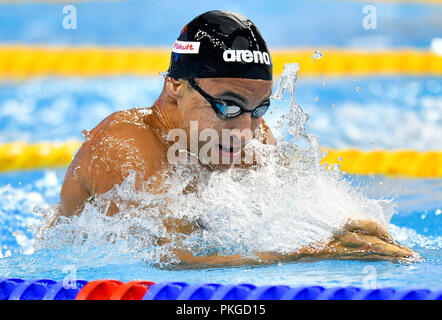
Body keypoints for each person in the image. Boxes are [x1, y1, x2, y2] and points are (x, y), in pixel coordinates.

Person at [57, 10, 415, 267]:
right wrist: (315, 252)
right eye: (228, 106)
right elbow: (171, 261)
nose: (246, 132)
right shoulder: (126, 147)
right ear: (174, 86)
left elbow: (289, 211)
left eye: (259, 109)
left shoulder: (252, 141)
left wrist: (347, 229)